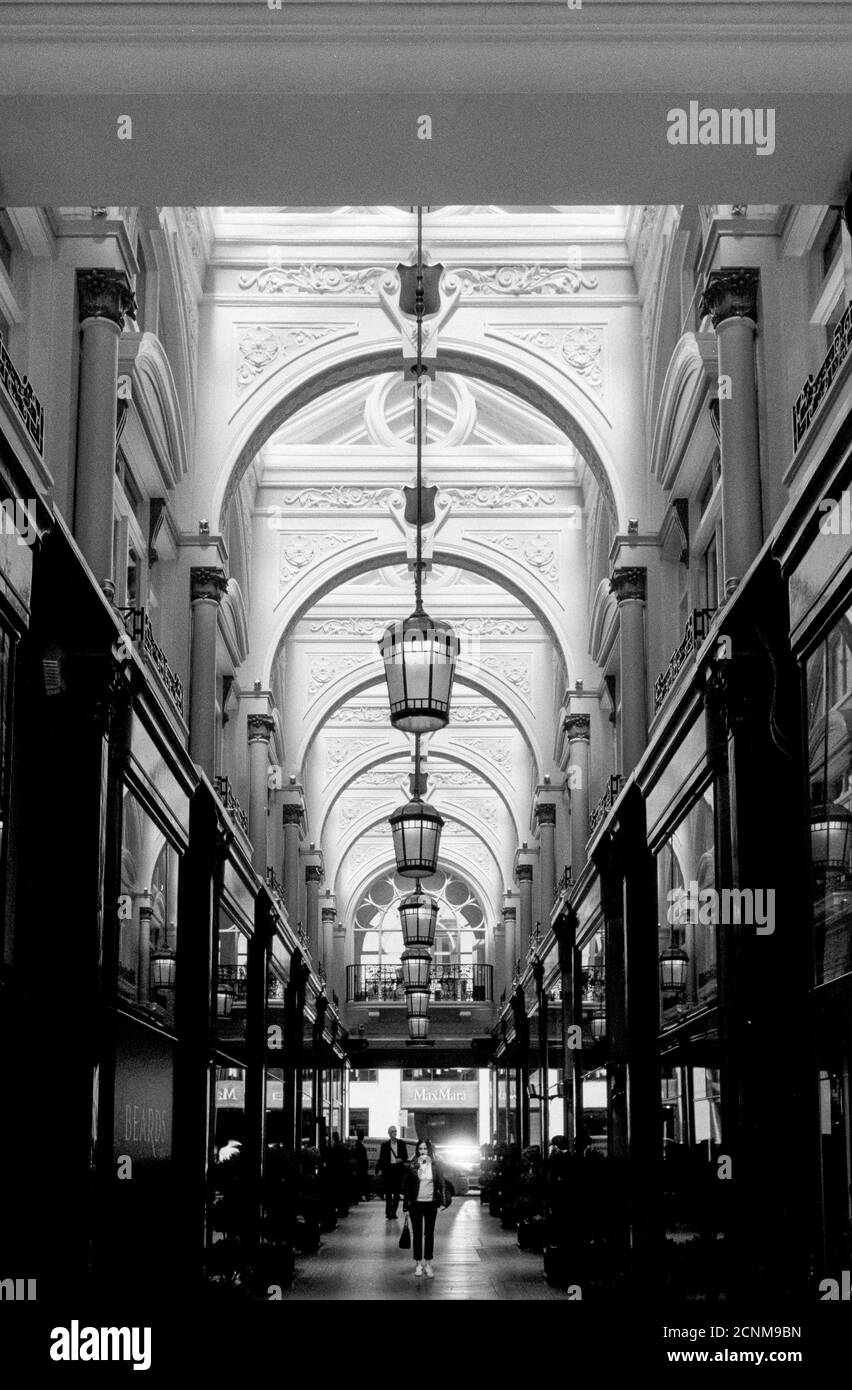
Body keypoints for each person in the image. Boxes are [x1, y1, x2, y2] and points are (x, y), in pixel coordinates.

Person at [402, 1138, 449, 1278]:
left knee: (429, 1234)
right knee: (417, 1234)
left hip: (430, 1204)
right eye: (420, 1149)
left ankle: (428, 1264)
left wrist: (443, 1203)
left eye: (425, 1149)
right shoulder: (413, 1166)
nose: (422, 1151)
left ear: (429, 1150)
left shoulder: (435, 1166)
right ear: (417, 1150)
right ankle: (418, 1264)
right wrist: (405, 1205)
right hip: (415, 1204)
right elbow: (407, 1187)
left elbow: (442, 1184)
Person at [376, 1125, 409, 1219]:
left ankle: (393, 1211)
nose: (394, 1133)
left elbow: (405, 1157)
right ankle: (388, 1212)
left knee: (396, 1193)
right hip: (388, 1171)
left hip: (398, 1171)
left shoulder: (401, 1144)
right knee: (388, 1193)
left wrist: (401, 1160)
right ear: (389, 1134)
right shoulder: (385, 1145)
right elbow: (381, 1158)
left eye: (395, 1131)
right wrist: (378, 1170)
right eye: (392, 1131)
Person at [354, 1130, 371, 1201]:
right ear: (363, 1137)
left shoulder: (356, 1146)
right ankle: (363, 1196)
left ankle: (360, 1196)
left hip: (358, 1168)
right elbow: (364, 1160)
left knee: (360, 1183)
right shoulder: (361, 1147)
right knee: (363, 1183)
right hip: (361, 1169)